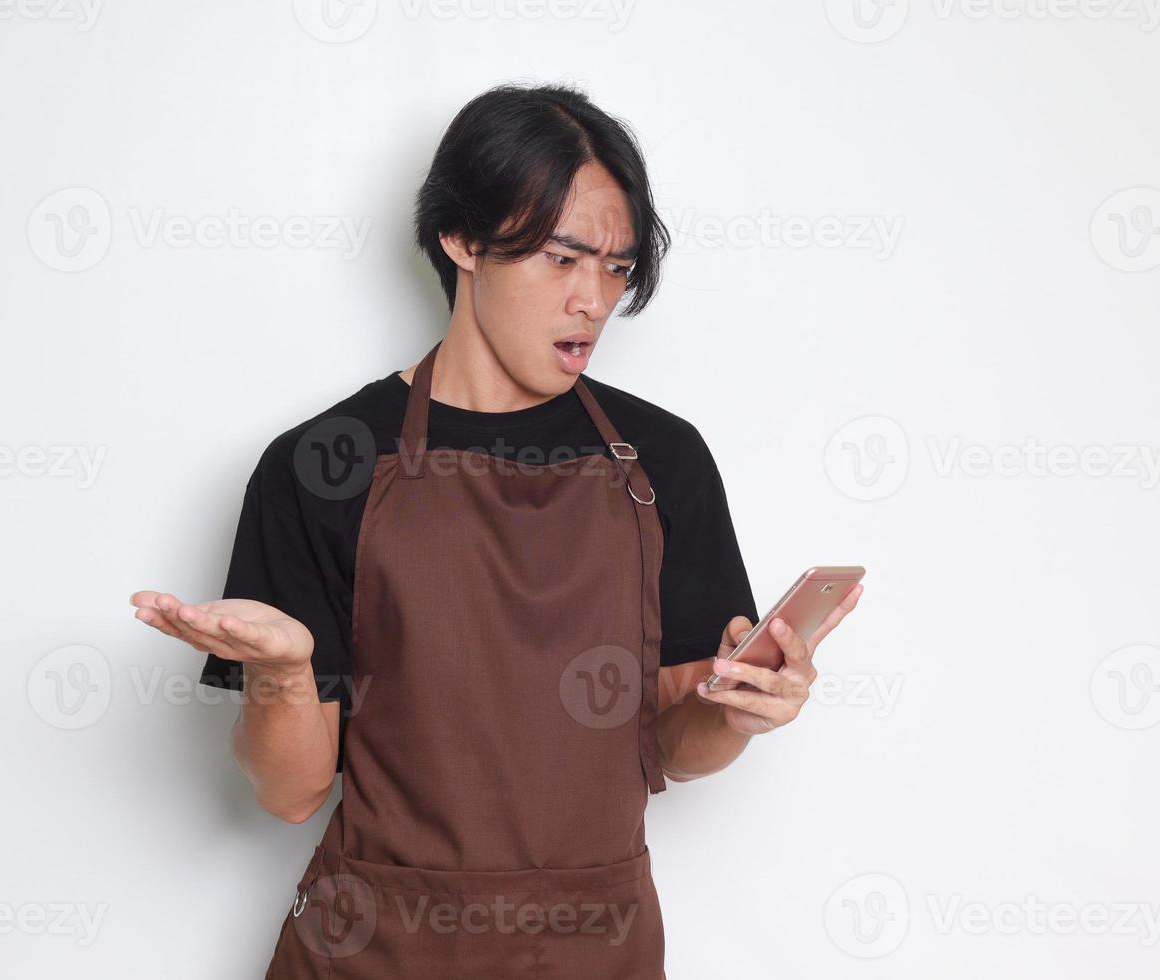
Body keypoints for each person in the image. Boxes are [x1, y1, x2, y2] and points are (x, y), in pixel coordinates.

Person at [130, 81, 863, 978]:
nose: (595, 299)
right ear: (463, 239)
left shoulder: (663, 461)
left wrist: (743, 713)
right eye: (563, 259)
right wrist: (282, 672)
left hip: (597, 952)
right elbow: (291, 793)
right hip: (375, 953)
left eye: (618, 266)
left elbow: (676, 744)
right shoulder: (325, 464)